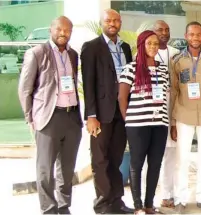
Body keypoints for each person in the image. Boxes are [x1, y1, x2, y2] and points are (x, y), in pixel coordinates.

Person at [18, 16, 81, 215]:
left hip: (71, 117)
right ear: (51, 30)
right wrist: (30, 117)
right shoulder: (36, 53)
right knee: (45, 168)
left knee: (67, 167)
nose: (63, 33)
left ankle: (63, 207)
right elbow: (24, 89)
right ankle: (49, 209)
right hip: (48, 118)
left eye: (67, 30)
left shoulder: (73, 54)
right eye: (59, 30)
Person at [80, 9, 133, 214]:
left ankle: (117, 201)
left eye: (116, 20)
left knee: (116, 158)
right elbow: (88, 83)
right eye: (108, 20)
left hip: (122, 112)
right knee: (100, 160)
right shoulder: (92, 47)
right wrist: (91, 116)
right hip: (101, 114)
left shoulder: (126, 48)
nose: (112, 23)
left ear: (120, 22)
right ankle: (103, 204)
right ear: (102, 23)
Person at [117, 30, 169, 214]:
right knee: (137, 164)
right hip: (137, 124)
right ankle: (138, 206)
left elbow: (164, 95)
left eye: (156, 44)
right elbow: (122, 98)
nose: (153, 47)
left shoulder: (163, 69)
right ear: (141, 45)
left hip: (160, 124)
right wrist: (129, 120)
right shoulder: (130, 68)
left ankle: (149, 204)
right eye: (149, 43)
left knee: (155, 164)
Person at [169, 22, 201, 213]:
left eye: (198, 35)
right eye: (192, 34)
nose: (195, 38)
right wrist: (173, 121)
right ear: (186, 36)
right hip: (183, 113)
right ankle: (180, 199)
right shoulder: (177, 60)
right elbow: (173, 90)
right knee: (182, 158)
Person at [151, 20, 181, 210]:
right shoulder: (145, 54)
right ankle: (149, 196)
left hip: (174, 106)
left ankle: (168, 194)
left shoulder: (176, 54)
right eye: (160, 30)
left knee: (172, 153)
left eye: (167, 30)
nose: (164, 33)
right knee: (153, 155)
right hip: (153, 108)